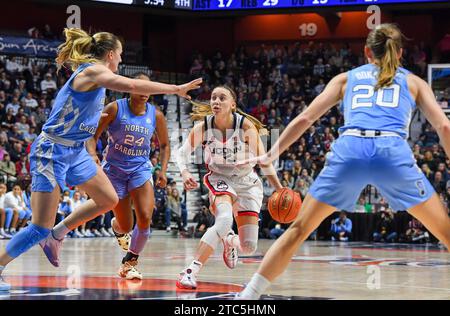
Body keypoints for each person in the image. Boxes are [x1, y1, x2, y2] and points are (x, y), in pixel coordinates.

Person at [238, 24, 450, 299]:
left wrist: (271, 153)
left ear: (365, 52)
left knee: (299, 229)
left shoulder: (345, 79)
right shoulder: (414, 82)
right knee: (445, 231)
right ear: (399, 53)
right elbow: (444, 127)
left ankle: (249, 296)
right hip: (391, 150)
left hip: (350, 149)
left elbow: (305, 118)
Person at [0, 27, 201, 291]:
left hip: (76, 151)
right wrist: (175, 88)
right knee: (38, 226)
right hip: (53, 151)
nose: (120, 61)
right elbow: (131, 85)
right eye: (119, 55)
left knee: (108, 199)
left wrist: (91, 152)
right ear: (110, 54)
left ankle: (57, 234)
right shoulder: (92, 71)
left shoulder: (98, 75)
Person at [174, 85, 282, 289]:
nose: (216, 101)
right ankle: (189, 271)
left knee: (248, 247)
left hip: (247, 181)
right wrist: (185, 172)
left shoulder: (245, 126)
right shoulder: (204, 127)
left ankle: (229, 240)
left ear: (232, 104)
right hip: (219, 177)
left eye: (222, 98)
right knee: (224, 219)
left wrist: (279, 189)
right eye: (213, 97)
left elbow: (265, 160)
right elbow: (181, 153)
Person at [86, 72, 169, 280]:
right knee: (125, 225)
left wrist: (163, 170)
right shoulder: (115, 108)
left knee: (145, 217)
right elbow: (92, 136)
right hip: (114, 170)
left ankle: (129, 262)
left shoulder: (156, 115)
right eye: (140, 87)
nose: (145, 92)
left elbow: (165, 145)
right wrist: (93, 155)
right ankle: (117, 227)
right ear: (130, 87)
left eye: (148, 88)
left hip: (140, 168)